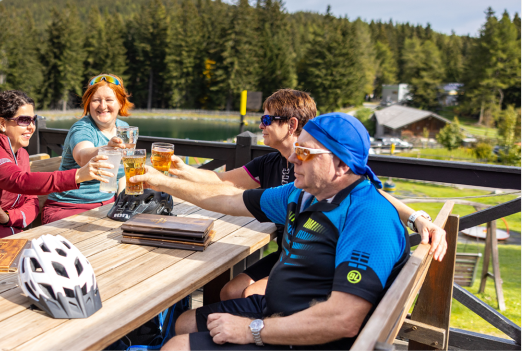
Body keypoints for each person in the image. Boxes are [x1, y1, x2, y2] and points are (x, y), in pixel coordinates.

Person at [132, 113, 411, 350]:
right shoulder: (301, 194)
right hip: (276, 310)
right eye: (295, 149)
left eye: (304, 152)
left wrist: (252, 330)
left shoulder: (368, 217)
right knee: (184, 322)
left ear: (341, 165)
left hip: (309, 337)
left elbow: (343, 319)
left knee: (176, 347)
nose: (292, 159)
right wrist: (162, 182)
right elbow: (226, 199)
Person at [168, 89, 446, 301]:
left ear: (290, 124)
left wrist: (417, 218)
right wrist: (181, 170)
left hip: (312, 258)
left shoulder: (327, 167)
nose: (260, 125)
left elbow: (373, 198)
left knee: (248, 295)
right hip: (289, 250)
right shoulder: (270, 162)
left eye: (266, 119)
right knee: (231, 292)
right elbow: (223, 182)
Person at [0, 90, 114, 252]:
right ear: (2, 123)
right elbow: (19, 181)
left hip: (9, 240)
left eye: (33, 120)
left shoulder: (22, 154)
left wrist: (8, 217)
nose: (31, 127)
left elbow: (32, 202)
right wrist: (77, 175)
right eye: (24, 120)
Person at [43, 74, 133, 224]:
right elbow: (82, 156)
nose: (102, 106)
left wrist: (122, 203)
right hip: (68, 207)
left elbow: (122, 173)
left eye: (109, 100)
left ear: (120, 103)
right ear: (88, 104)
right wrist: (107, 148)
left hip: (107, 206)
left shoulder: (124, 128)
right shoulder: (82, 128)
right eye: (96, 100)